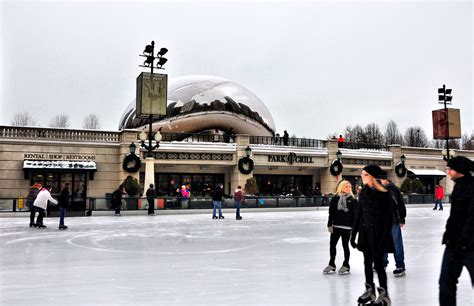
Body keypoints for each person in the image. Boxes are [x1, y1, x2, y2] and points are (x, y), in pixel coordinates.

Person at [351, 164, 394, 305]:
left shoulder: (384, 193)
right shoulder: (363, 192)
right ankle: (370, 291)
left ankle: (384, 295)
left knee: (379, 265)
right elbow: (359, 214)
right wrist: (353, 233)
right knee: (367, 263)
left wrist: (383, 239)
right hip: (365, 233)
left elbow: (388, 219)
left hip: (378, 233)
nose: (362, 177)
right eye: (362, 174)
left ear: (372, 177)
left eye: (365, 174)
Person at [439, 156, 474, 306]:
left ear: (459, 170)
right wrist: (448, 234)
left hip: (470, 246)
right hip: (454, 245)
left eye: (450, 169)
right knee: (446, 281)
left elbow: (472, 219)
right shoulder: (458, 186)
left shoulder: (472, 187)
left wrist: (463, 242)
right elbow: (454, 216)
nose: (448, 172)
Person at [323, 180, 357, 275]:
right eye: (347, 186)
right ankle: (331, 264)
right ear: (341, 187)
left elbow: (355, 215)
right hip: (336, 226)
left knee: (345, 246)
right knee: (332, 245)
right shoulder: (335, 198)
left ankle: (346, 265)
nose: (349, 188)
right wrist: (329, 224)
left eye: (350, 186)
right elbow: (331, 212)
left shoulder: (353, 200)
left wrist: (354, 228)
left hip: (347, 227)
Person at [380, 173, 407, 277]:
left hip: (393, 221)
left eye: (382, 179)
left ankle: (400, 265)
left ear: (386, 179)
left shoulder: (392, 189)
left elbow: (400, 203)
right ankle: (383, 263)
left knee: (396, 244)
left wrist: (401, 218)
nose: (381, 182)